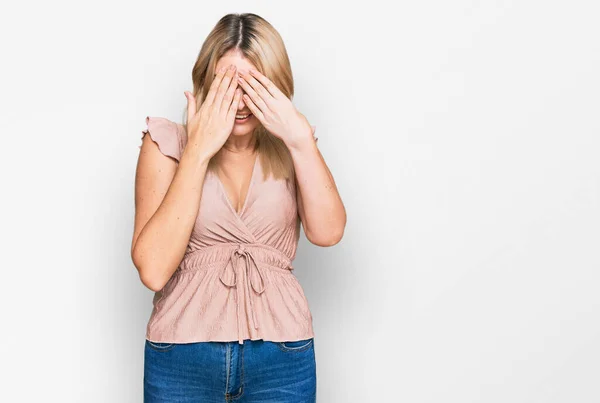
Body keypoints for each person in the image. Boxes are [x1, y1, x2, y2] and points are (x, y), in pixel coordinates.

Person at [132, 13, 346, 402]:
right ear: (205, 83)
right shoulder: (166, 143)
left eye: (254, 85)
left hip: (283, 355)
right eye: (228, 85)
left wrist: (300, 140)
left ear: (276, 87)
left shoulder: (293, 145)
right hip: (181, 358)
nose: (240, 102)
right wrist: (198, 149)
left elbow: (328, 232)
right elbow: (153, 269)